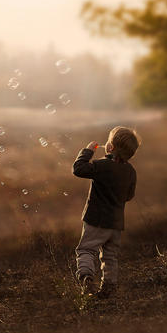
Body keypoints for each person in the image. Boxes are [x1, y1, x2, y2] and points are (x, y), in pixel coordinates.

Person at [72, 126, 140, 299]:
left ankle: (86, 277)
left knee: (86, 250)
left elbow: (78, 169)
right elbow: (129, 196)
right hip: (116, 224)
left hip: (96, 220)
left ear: (110, 148)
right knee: (110, 256)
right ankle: (109, 286)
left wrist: (87, 151)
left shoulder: (101, 166)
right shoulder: (131, 172)